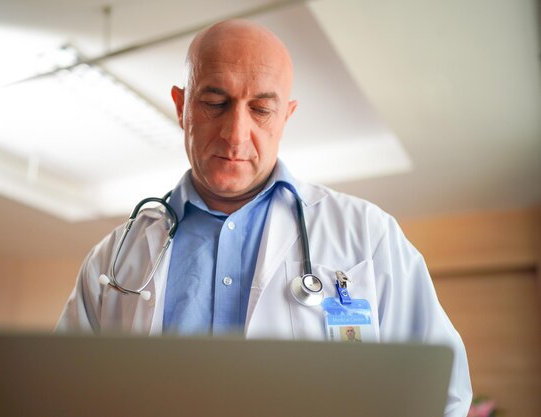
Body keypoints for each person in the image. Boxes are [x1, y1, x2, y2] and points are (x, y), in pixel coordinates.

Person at [57, 19, 472, 416]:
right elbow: (64, 392)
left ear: (286, 117)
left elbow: (443, 389)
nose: (236, 134)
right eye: (215, 103)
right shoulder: (115, 258)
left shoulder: (367, 236)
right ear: (182, 106)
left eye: (260, 110)